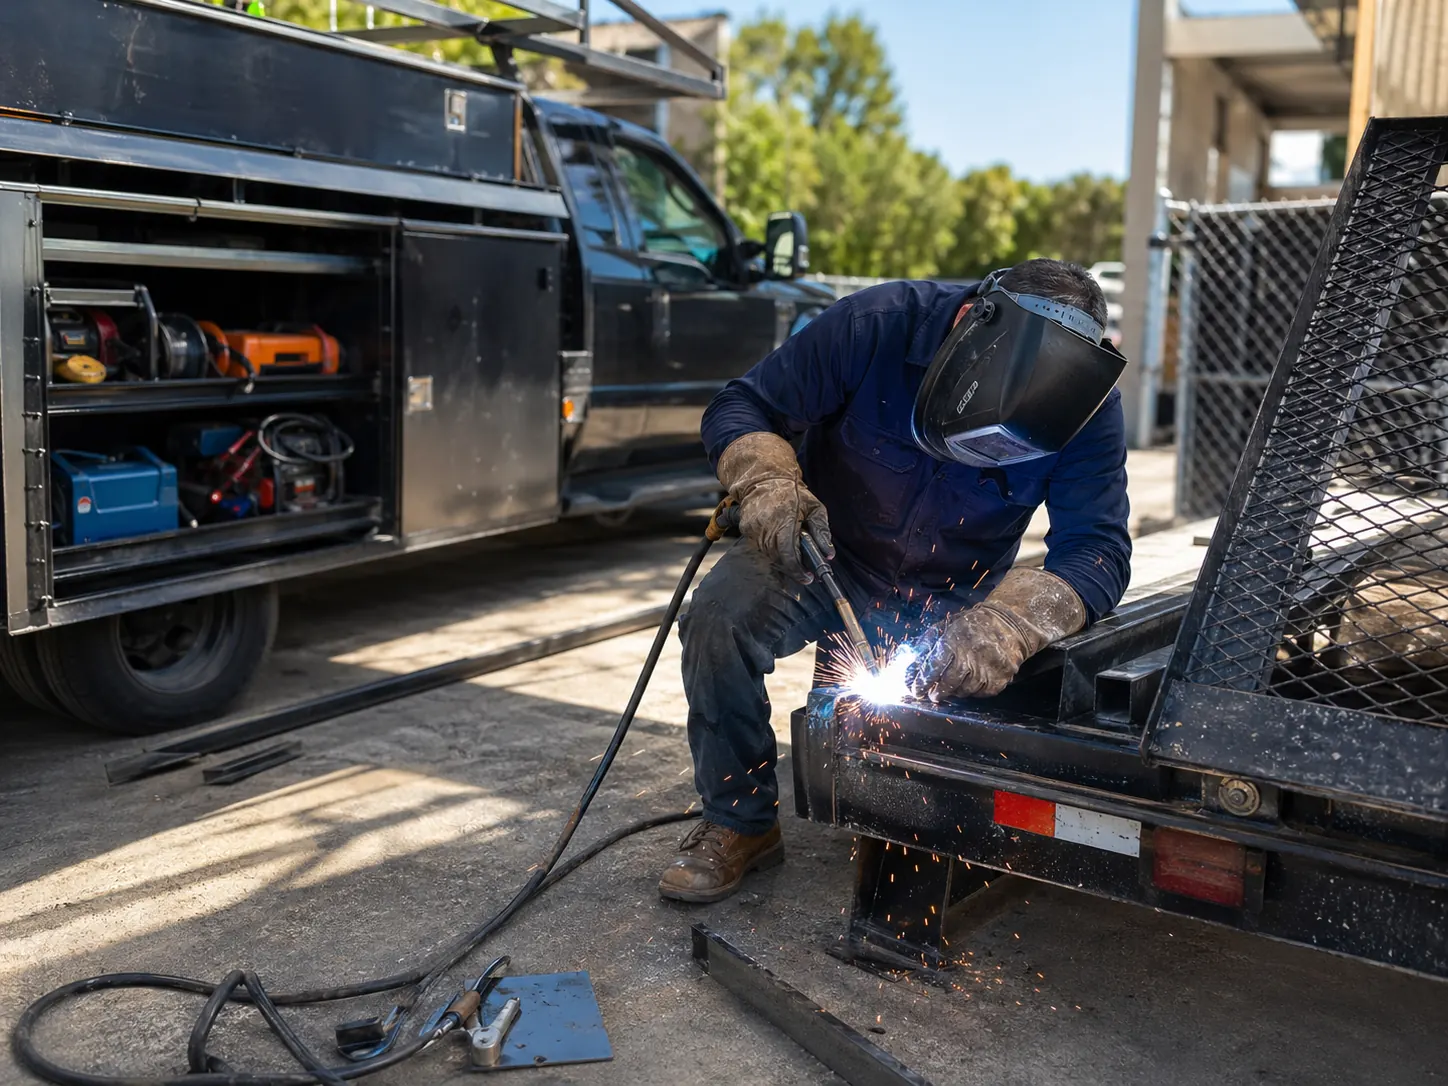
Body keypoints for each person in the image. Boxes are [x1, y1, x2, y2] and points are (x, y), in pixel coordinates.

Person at [658, 259, 1132, 904]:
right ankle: (741, 822)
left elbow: (1096, 548)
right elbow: (745, 403)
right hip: (822, 554)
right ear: (968, 323)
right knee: (719, 618)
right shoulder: (875, 324)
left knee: (886, 753)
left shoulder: (1086, 404)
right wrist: (765, 476)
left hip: (948, 593)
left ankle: (868, 800)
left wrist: (1010, 624)